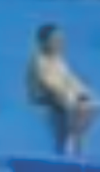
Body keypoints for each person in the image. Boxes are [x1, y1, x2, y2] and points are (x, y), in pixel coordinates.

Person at [24, 25, 93, 158]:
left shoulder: (58, 60)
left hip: (60, 100)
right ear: (44, 42)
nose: (60, 42)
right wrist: (73, 97)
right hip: (44, 99)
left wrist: (84, 92)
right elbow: (51, 84)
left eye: (61, 39)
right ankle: (68, 144)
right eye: (55, 39)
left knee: (86, 105)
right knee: (76, 106)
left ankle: (76, 145)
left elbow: (70, 80)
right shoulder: (38, 60)